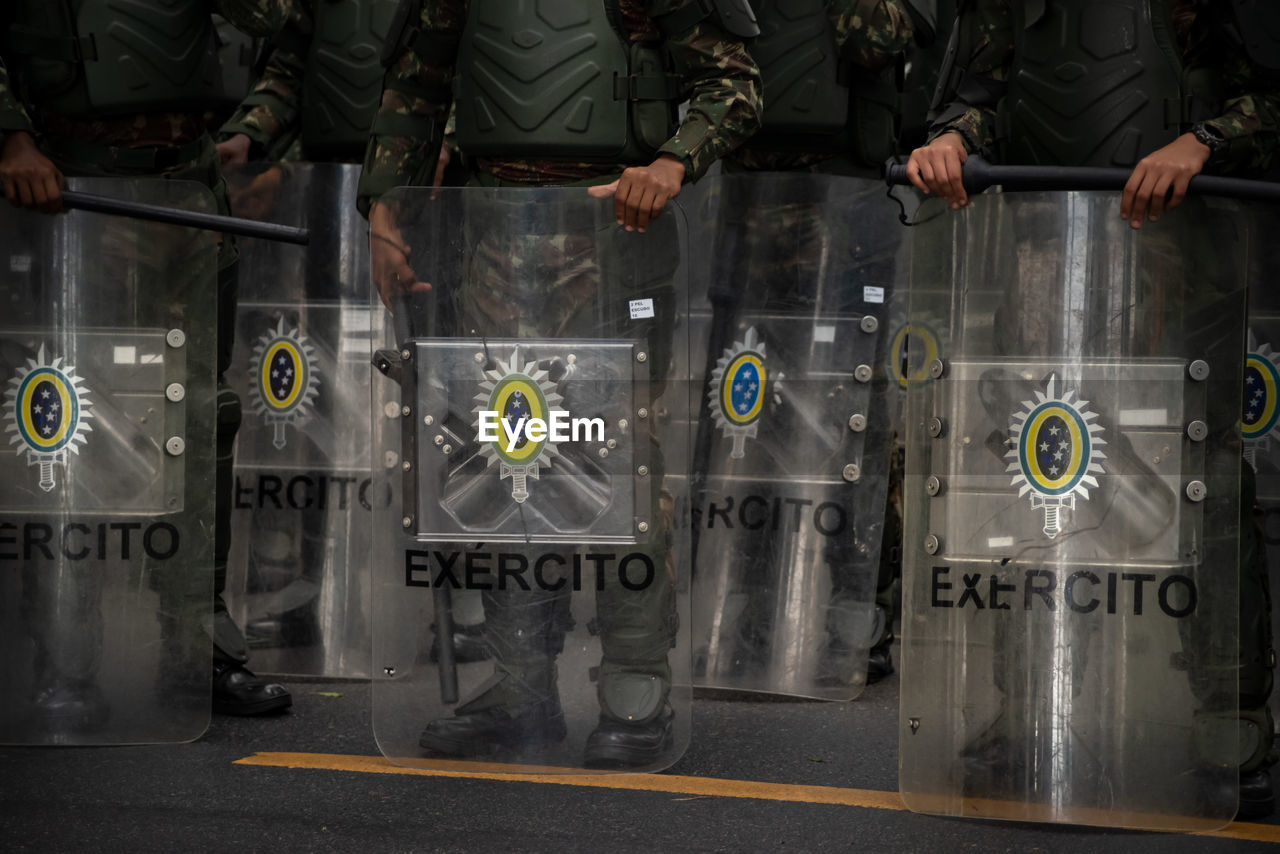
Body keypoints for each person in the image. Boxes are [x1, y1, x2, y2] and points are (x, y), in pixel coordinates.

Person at [904, 0, 1280, 818]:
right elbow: (982, 89)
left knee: (1202, 481)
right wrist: (954, 140)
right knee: (1034, 470)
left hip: (1188, 249)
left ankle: (1234, 722)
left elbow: (1272, 98)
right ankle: (1029, 709)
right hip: (1044, 246)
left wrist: (1206, 139)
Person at [361, 0, 761, 767]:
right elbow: (416, 83)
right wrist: (386, 215)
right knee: (505, 459)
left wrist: (672, 161)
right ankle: (520, 688)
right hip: (493, 235)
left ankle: (635, 691)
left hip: (619, 235)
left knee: (624, 465)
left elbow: (732, 84)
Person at [0, 1, 293, 720]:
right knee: (65, 422)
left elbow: (278, 14)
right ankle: (63, 656)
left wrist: (248, 134)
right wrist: (9, 138)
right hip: (61, 192)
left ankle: (197, 652)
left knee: (197, 416)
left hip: (183, 187)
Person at [694, 0, 920, 691]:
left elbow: (880, 38)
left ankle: (858, 616)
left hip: (847, 203)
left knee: (852, 420)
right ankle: (748, 609)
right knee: (751, 415)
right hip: (754, 195)